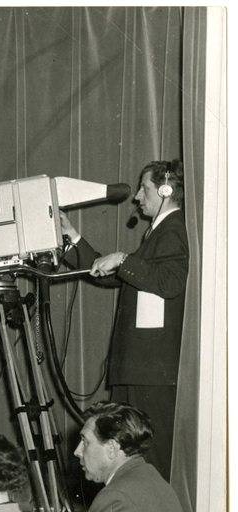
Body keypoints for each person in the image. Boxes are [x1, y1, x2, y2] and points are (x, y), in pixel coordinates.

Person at [59, 159, 188, 479]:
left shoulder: (176, 227)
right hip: (140, 368)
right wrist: (72, 237)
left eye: (144, 189)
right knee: (131, 456)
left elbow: (170, 280)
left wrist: (122, 259)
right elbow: (111, 276)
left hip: (152, 371)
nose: (138, 197)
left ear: (166, 190)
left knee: (149, 457)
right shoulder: (158, 233)